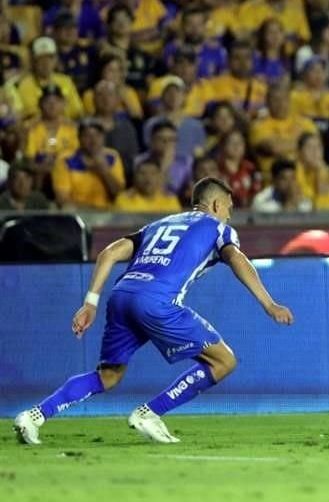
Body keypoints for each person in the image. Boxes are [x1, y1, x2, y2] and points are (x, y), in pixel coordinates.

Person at [13, 177, 294, 445]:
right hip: (157, 302)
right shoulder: (218, 228)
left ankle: (34, 416)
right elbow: (237, 259)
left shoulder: (157, 225)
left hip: (121, 297)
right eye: (229, 208)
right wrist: (268, 303)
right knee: (223, 362)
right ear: (217, 205)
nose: (230, 215)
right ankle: (150, 413)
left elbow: (109, 253)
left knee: (108, 375)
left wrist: (90, 302)